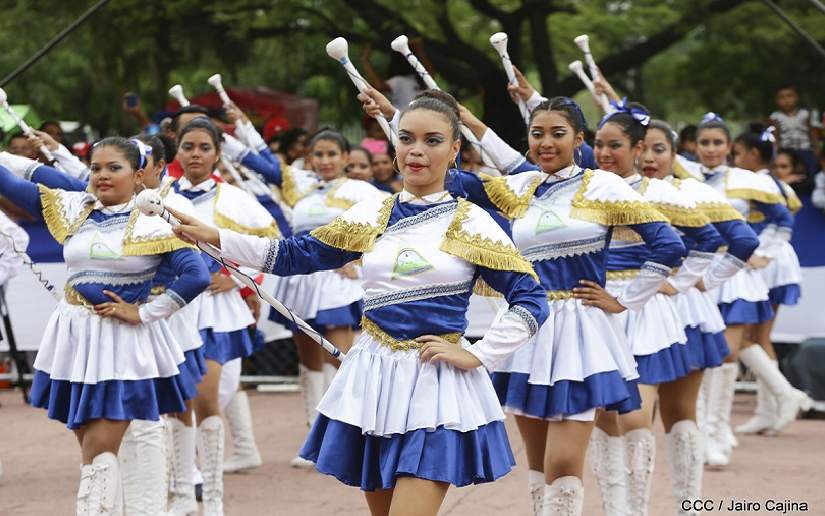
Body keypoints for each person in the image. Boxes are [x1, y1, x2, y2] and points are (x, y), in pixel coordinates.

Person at [167, 91, 549, 516]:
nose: (417, 150)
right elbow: (295, 254)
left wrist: (478, 355)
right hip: (374, 380)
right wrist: (216, 237)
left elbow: (531, 299)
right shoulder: (373, 213)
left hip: (436, 387)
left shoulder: (471, 221)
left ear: (456, 148)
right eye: (407, 138)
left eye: (433, 140)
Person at [0, 138, 210, 516]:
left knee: (99, 450)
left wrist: (144, 312)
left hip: (122, 343)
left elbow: (195, 275)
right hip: (76, 338)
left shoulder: (154, 219)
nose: (102, 176)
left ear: (139, 174)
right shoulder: (72, 207)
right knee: (89, 449)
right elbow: (9, 183)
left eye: (114, 168)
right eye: (96, 168)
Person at [169, 118, 277, 515]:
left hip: (216, 311)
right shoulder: (160, 196)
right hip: (174, 308)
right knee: (177, 400)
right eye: (188, 146)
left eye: (203, 147)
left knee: (205, 396)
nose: (195, 154)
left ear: (217, 153)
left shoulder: (237, 199)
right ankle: (184, 487)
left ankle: (210, 493)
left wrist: (236, 280)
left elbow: (268, 247)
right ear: (176, 150)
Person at [694, 113, 808, 468]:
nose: (711, 149)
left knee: (727, 353)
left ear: (729, 148)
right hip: (697, 276)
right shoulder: (684, 178)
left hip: (736, 275)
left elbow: (784, 218)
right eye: (705, 142)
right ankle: (706, 431)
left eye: (718, 143)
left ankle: (715, 432)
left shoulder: (747, 180)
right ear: (695, 146)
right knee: (703, 356)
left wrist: (765, 253)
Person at [731, 129, 808, 437]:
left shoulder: (758, 181)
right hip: (772, 257)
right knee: (759, 337)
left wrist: (758, 252)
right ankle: (772, 408)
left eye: (737, 154)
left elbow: (782, 219)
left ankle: (781, 399)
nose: (734, 161)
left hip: (765, 258)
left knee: (750, 337)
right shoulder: (770, 181)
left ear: (752, 154)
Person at [770, 85, 820, 183]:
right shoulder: (776, 117)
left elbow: (811, 133)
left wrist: (816, 148)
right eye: (782, 97)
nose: (786, 100)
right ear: (777, 100)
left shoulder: (805, 114)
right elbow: (776, 136)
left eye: (790, 96)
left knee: (810, 172)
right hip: (786, 150)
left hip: (804, 149)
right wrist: (775, 153)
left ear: (796, 98)